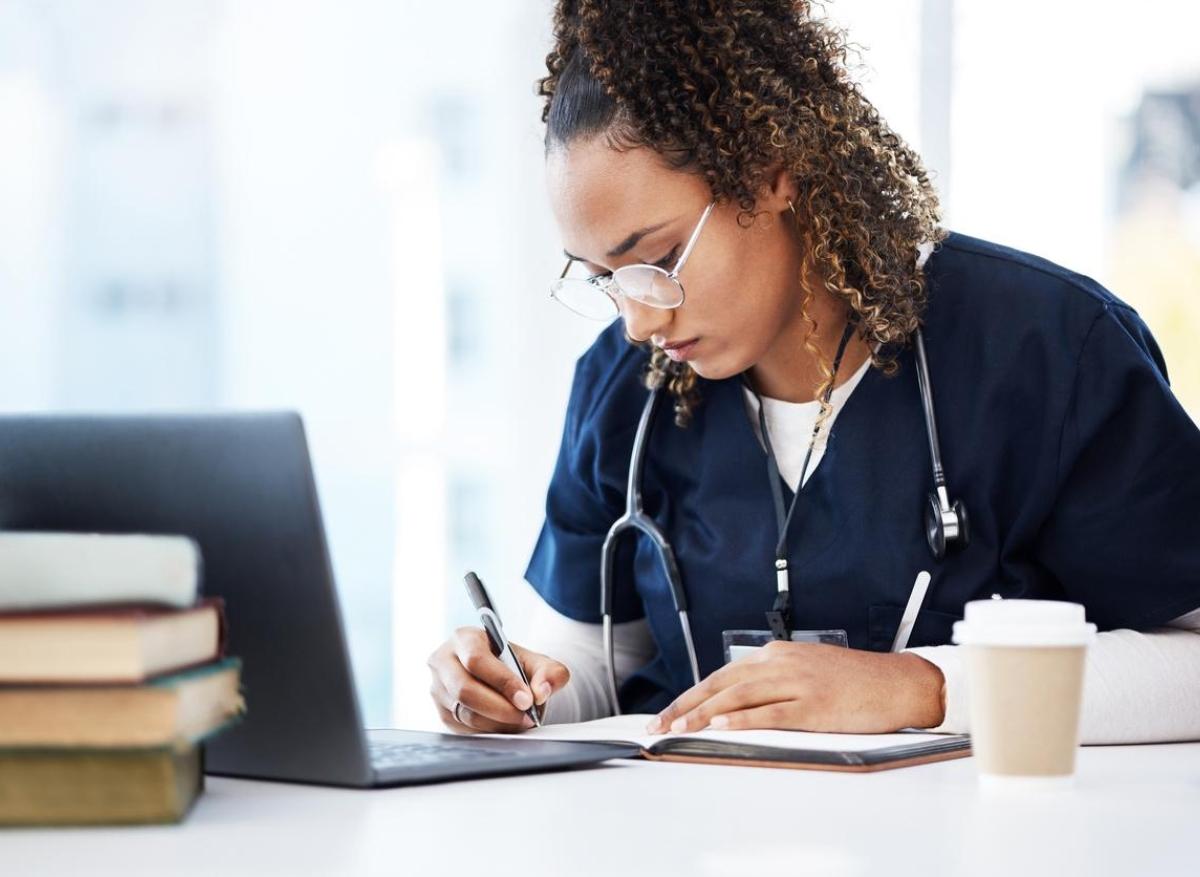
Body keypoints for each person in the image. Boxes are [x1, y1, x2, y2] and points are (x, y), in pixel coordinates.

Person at [428, 0, 1200, 742]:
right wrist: (512, 692)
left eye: (658, 261)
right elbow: (591, 670)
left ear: (772, 171)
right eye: (604, 277)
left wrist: (922, 687)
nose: (638, 320)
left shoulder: (1048, 351)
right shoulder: (622, 390)